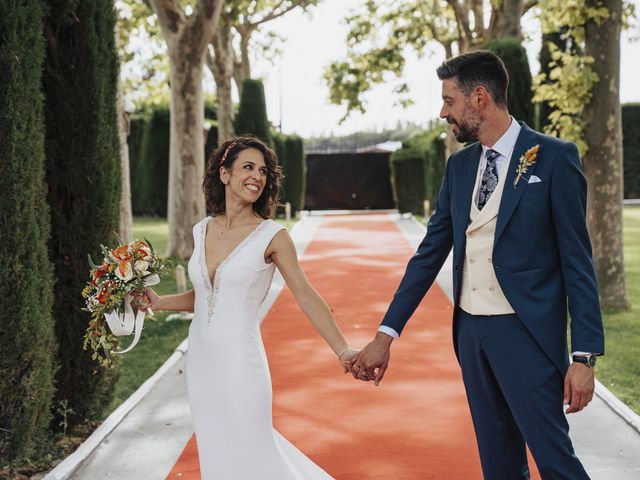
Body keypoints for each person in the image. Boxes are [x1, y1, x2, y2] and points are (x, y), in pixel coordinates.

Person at [349, 50, 604, 479]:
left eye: (449, 101)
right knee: (499, 466)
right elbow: (428, 254)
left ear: (479, 98)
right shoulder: (461, 165)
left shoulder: (555, 157)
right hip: (472, 334)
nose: (442, 111)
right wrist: (385, 335)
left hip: (527, 334)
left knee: (555, 462)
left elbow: (578, 262)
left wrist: (584, 357)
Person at [139, 136, 357, 479]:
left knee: (253, 450)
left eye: (263, 171)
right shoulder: (201, 230)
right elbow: (209, 295)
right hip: (202, 365)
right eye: (247, 167)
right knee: (216, 451)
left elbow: (305, 293)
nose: (257, 176)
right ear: (224, 174)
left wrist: (342, 349)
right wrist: (160, 301)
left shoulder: (272, 236)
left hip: (242, 364)